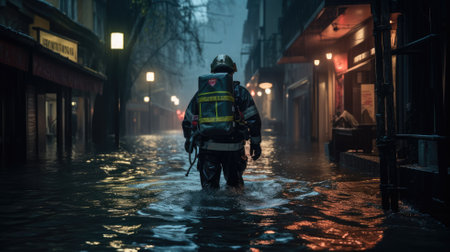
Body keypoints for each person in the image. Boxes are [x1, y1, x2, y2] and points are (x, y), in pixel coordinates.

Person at [182, 54, 262, 190]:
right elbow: (253, 120)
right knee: (235, 190)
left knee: (209, 192)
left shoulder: (201, 93)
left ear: (213, 72)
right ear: (232, 71)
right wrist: (255, 144)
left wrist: (189, 140)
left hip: (207, 149)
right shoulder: (240, 93)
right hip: (234, 149)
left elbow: (188, 119)